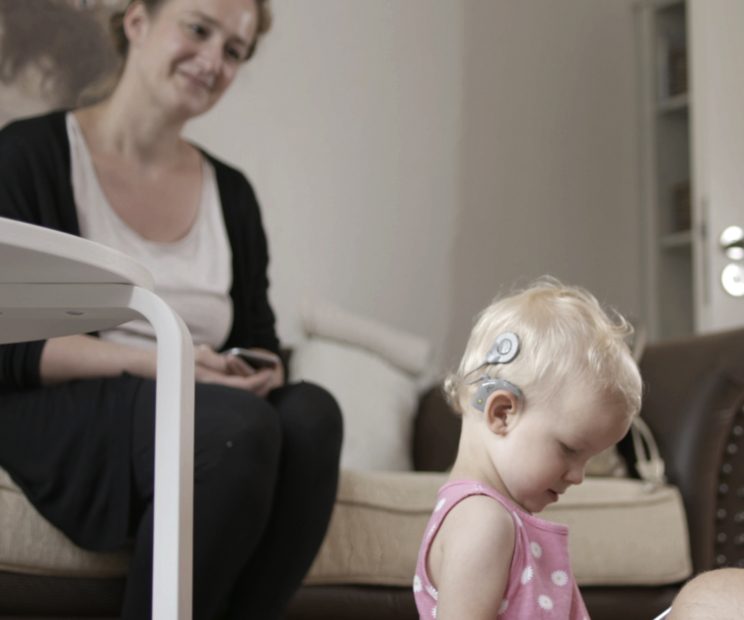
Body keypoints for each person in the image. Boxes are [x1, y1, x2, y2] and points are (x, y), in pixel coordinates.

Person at [0, 0, 343, 619]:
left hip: (203, 400)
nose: (213, 60)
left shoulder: (231, 192)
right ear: (137, 21)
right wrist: (169, 367)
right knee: (234, 427)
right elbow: (10, 346)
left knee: (314, 414)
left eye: (234, 50)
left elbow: (257, 335)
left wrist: (260, 369)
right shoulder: (28, 154)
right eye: (198, 28)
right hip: (66, 401)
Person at [413, 280, 642, 619]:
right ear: (502, 413)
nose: (578, 476)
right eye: (569, 449)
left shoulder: (496, 517)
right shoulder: (483, 521)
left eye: (588, 458)